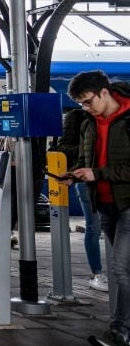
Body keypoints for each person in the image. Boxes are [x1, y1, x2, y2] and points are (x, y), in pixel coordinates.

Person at [66, 70, 130, 346]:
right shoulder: (88, 123)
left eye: (88, 101)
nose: (86, 108)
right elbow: (85, 156)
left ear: (105, 92)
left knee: (120, 270)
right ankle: (119, 330)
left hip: (129, 204)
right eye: (81, 104)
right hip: (105, 205)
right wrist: (77, 173)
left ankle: (123, 333)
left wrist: (97, 173)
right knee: (121, 272)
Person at [58, 108, 106, 292]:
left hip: (113, 180)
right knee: (94, 227)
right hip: (86, 180)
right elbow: (63, 146)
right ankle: (97, 273)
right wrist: (91, 148)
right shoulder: (78, 118)